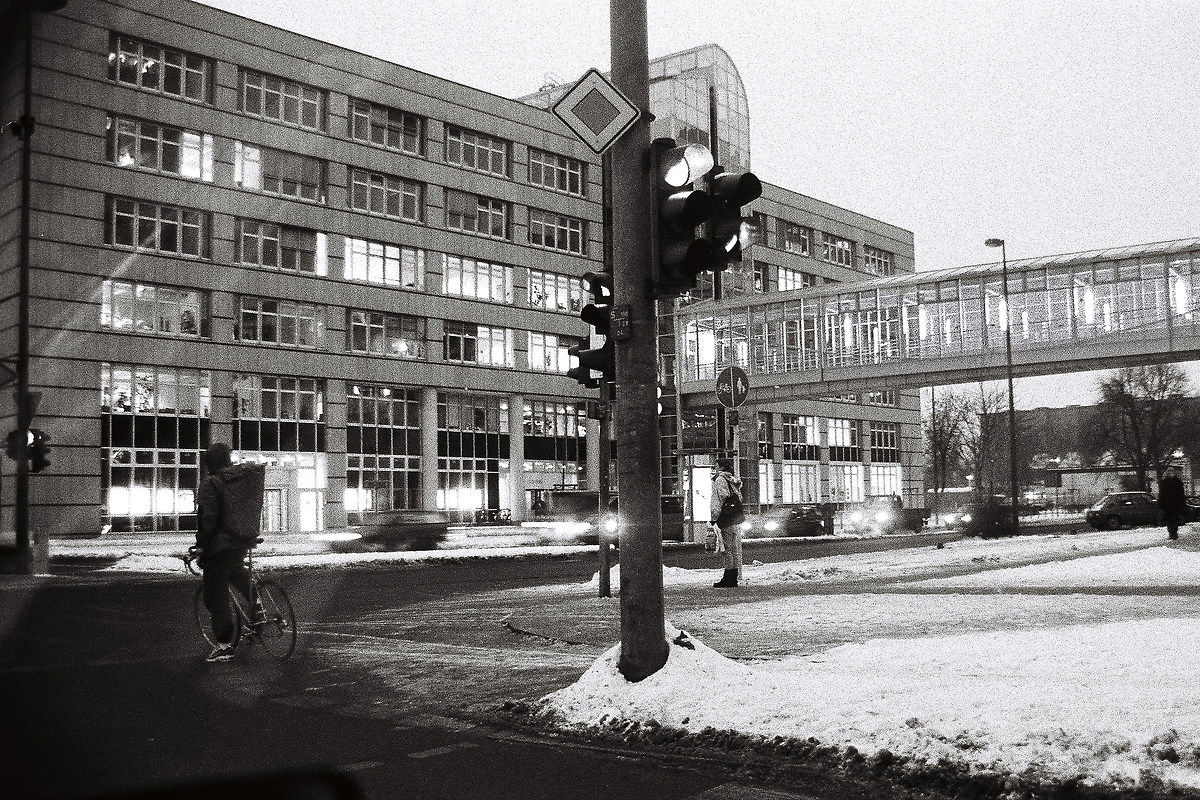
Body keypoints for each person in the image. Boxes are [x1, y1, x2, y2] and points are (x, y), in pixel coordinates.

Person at [195, 442, 265, 662]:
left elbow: (208, 518)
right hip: (242, 541)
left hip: (221, 545)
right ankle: (258, 608)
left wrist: (201, 544)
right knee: (236, 572)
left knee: (216, 595)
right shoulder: (240, 478)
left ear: (210, 463)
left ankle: (225, 645)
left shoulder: (212, 483)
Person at [710, 458, 744, 588]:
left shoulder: (720, 479)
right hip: (735, 518)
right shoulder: (732, 479)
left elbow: (720, 499)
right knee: (734, 549)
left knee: (726, 549)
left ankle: (728, 577)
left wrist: (714, 517)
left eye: (716, 465)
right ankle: (733, 578)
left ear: (721, 467)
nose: (715, 468)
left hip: (726, 518)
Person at [1158, 465, 1187, 541]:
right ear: (1166, 472)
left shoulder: (1177, 482)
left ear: (1173, 472)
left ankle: (1174, 533)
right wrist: (1161, 504)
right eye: (1168, 471)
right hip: (1168, 505)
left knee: (1174, 519)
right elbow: (1161, 494)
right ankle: (1171, 533)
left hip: (1175, 504)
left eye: (1171, 471)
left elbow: (1181, 494)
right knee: (1169, 520)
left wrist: (1182, 503)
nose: (1170, 472)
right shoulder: (1164, 482)